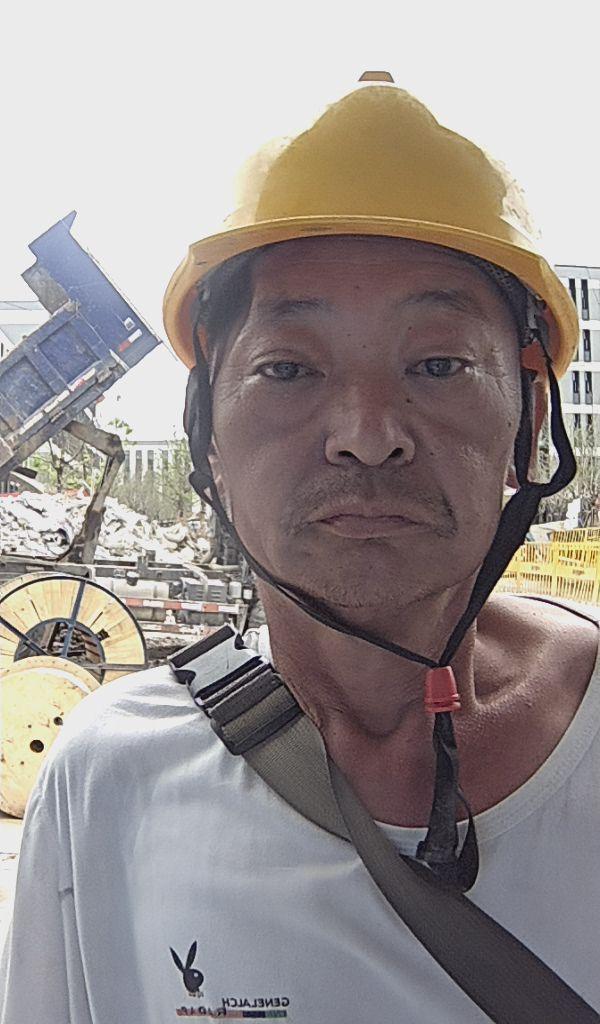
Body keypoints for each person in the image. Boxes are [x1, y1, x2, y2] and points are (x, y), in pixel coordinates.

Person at [2, 73, 599, 1023]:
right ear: (209, 434)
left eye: (438, 364)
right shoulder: (109, 783)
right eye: (288, 369)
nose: (368, 434)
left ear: (529, 423)